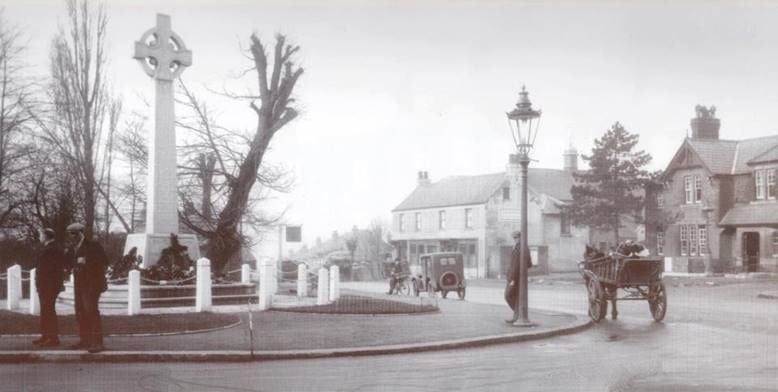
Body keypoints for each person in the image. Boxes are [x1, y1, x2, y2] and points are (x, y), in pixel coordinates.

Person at [64, 223, 108, 353]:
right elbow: (67, 263)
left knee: (92, 312)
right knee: (81, 312)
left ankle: (98, 343)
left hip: (92, 285)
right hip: (79, 285)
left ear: (80, 233)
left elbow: (104, 262)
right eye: (70, 234)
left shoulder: (93, 246)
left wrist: (88, 264)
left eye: (73, 234)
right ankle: (85, 340)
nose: (71, 237)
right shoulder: (73, 248)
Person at [32, 228, 66, 347]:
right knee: (45, 311)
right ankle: (46, 335)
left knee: (48, 311)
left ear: (46, 236)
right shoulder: (49, 248)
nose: (40, 237)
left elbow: (53, 270)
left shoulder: (53, 249)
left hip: (49, 286)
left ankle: (52, 338)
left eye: (41, 234)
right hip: (45, 285)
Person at [505, 231, 532, 322]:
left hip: (517, 278)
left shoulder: (523, 248)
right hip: (512, 276)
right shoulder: (516, 247)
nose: (515, 239)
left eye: (516, 237)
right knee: (513, 297)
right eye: (514, 238)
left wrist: (514, 278)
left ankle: (519, 314)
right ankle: (517, 315)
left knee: (508, 295)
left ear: (521, 237)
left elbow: (528, 263)